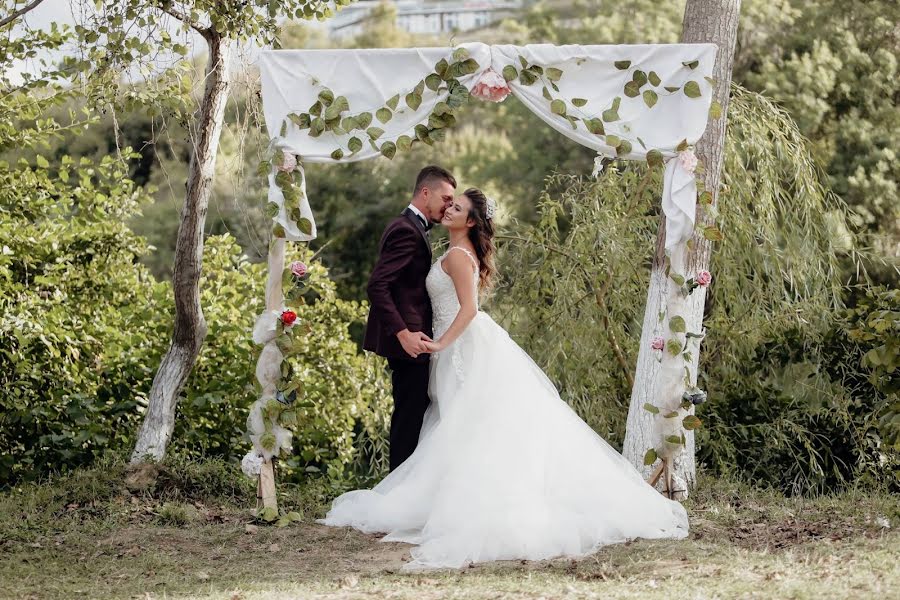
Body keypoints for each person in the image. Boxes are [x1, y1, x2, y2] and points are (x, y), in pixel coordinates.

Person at [325, 187, 689, 570]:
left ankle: (484, 504)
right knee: (462, 425)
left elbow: (469, 310)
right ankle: (461, 498)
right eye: (449, 203)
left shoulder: (458, 256)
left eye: (458, 207)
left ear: (470, 222)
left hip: (463, 347)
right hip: (455, 350)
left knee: (471, 423)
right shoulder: (453, 252)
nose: (449, 209)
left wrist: (441, 344)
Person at [363, 165, 456, 471]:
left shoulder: (409, 226)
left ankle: (402, 490)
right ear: (425, 193)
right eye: (445, 198)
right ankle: (396, 494)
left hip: (417, 340)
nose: (448, 205)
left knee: (412, 414)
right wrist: (403, 334)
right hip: (410, 343)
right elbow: (378, 285)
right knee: (408, 419)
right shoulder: (406, 229)